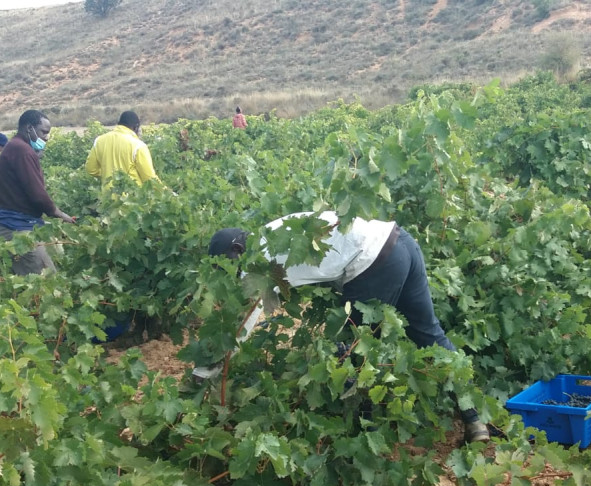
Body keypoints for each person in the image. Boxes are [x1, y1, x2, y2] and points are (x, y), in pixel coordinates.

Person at [208, 211, 491, 442]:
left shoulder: (257, 263)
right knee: (429, 333)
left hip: (374, 263)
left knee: (354, 353)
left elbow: (244, 322)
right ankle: (474, 421)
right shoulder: (274, 227)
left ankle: (364, 436)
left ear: (237, 249)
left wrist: (209, 366)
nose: (235, 275)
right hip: (400, 240)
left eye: (230, 266)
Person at [0, 110, 76, 275]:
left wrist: (34, 158)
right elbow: (38, 195)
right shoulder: (22, 151)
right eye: (43, 132)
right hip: (17, 227)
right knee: (46, 281)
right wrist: (59, 214)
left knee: (28, 281)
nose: (46, 137)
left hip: (15, 223)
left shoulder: (16, 147)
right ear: (29, 128)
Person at [85, 111, 160, 187]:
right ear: (135, 127)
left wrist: (108, 175)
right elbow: (149, 178)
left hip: (107, 196)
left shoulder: (99, 141)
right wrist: (167, 192)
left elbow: (91, 169)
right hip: (133, 196)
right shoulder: (138, 146)